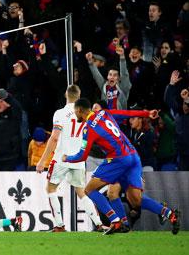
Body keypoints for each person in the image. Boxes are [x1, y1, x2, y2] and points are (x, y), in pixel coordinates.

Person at [63, 98, 180, 235]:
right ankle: (170, 214)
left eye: (75, 112)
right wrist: (146, 114)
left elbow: (82, 156)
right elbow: (126, 113)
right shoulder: (104, 113)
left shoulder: (88, 129)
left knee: (89, 190)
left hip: (118, 159)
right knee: (135, 200)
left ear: (79, 110)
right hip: (132, 156)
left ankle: (115, 221)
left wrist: (67, 158)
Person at [35, 85, 103, 232]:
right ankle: (98, 224)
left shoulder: (60, 113)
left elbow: (54, 138)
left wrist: (41, 161)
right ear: (79, 96)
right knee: (81, 192)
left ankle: (59, 225)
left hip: (62, 158)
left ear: (66, 94)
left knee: (51, 189)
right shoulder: (85, 113)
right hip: (79, 158)